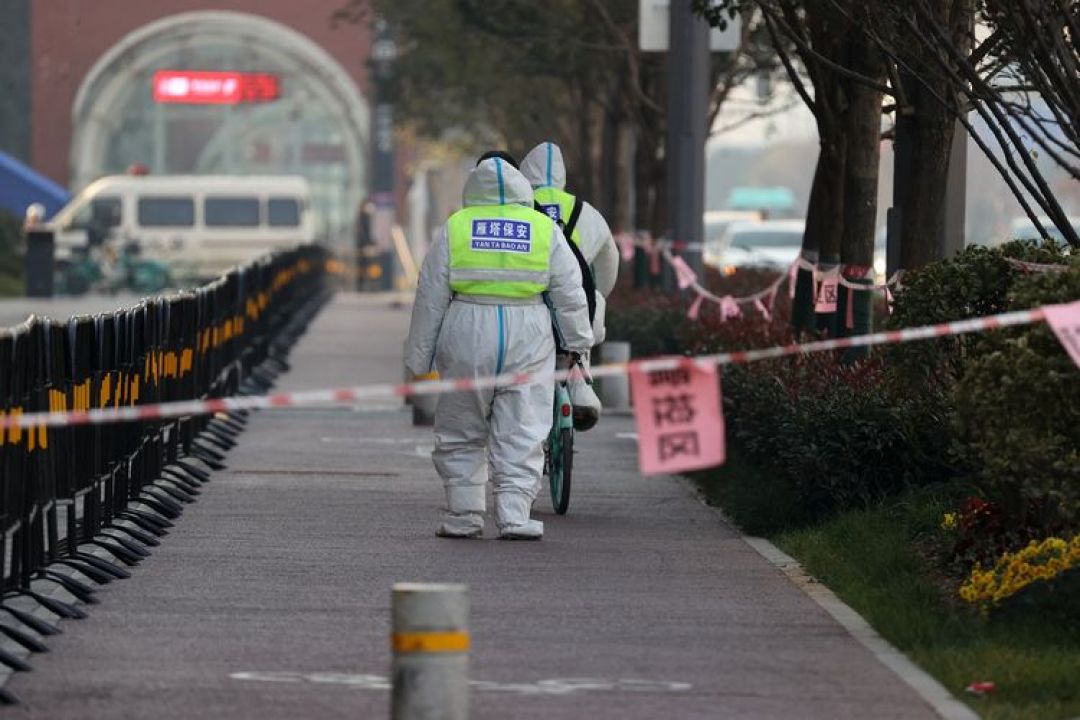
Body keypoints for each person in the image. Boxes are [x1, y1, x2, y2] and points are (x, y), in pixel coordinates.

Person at [405, 155, 593, 540]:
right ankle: (514, 516)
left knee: (461, 425)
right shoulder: (543, 229)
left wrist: (418, 357)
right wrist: (578, 344)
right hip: (529, 333)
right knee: (523, 427)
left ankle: (464, 515)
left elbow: (430, 295)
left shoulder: (456, 228)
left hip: (467, 330)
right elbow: (570, 293)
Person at [520, 142, 619, 431]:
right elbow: (608, 268)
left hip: (530, 306)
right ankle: (581, 390)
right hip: (578, 307)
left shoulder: (518, 210)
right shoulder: (588, 213)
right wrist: (598, 293)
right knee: (584, 318)